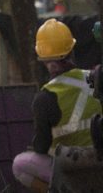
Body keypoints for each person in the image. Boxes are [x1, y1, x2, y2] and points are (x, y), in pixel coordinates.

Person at [12, 19, 103, 192]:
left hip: (71, 168)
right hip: (99, 162)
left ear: (43, 59)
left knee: (20, 165)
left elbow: (41, 147)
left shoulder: (45, 98)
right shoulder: (95, 78)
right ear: (72, 50)